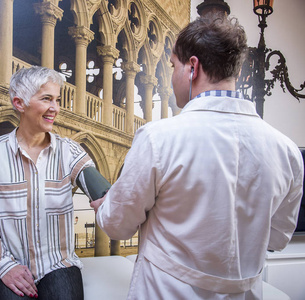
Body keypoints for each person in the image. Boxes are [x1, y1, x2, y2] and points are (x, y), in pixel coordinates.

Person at [91, 15, 304, 299]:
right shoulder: (287, 151)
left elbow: (117, 225)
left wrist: (105, 206)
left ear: (193, 67)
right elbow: (277, 239)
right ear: (235, 73)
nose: (172, 75)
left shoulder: (158, 139)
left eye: (173, 66)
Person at [0, 66, 95, 300]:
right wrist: (5, 266)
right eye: (46, 99)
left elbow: (100, 188)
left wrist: (109, 196)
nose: (55, 108)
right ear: (19, 103)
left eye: (57, 100)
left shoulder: (69, 151)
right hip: (6, 263)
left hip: (58, 264)